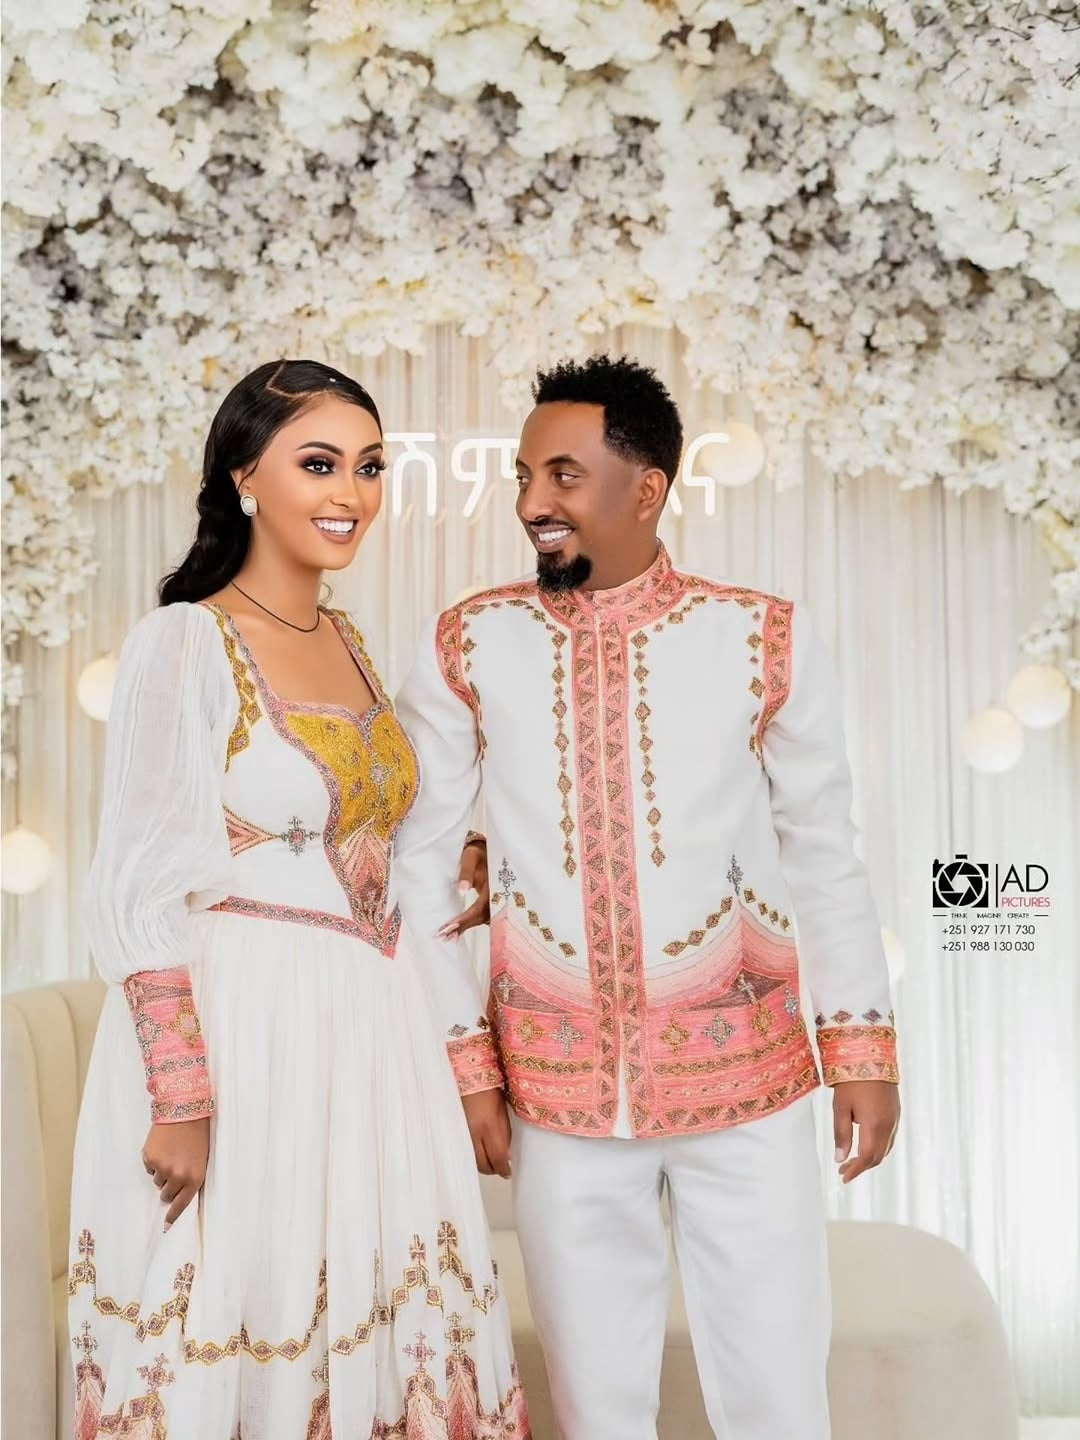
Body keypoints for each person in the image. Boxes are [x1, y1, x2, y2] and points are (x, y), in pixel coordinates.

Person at [393, 354, 902, 1440]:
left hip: (751, 1082)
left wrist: (861, 1047)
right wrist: (466, 1066)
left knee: (775, 1394)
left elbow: (825, 851)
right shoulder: (470, 642)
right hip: (558, 1093)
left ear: (647, 488)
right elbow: (424, 865)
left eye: (564, 475)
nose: (533, 502)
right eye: (524, 475)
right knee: (596, 1406)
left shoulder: (762, 635)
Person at [68, 360, 530, 1440]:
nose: (350, 493)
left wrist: (466, 1069)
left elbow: (393, 871)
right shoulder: (184, 640)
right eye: (317, 463)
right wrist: (180, 1096)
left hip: (374, 1036)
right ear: (244, 476)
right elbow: (139, 876)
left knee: (385, 1320)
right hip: (247, 1029)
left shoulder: (355, 644)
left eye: (369, 468)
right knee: (244, 1307)